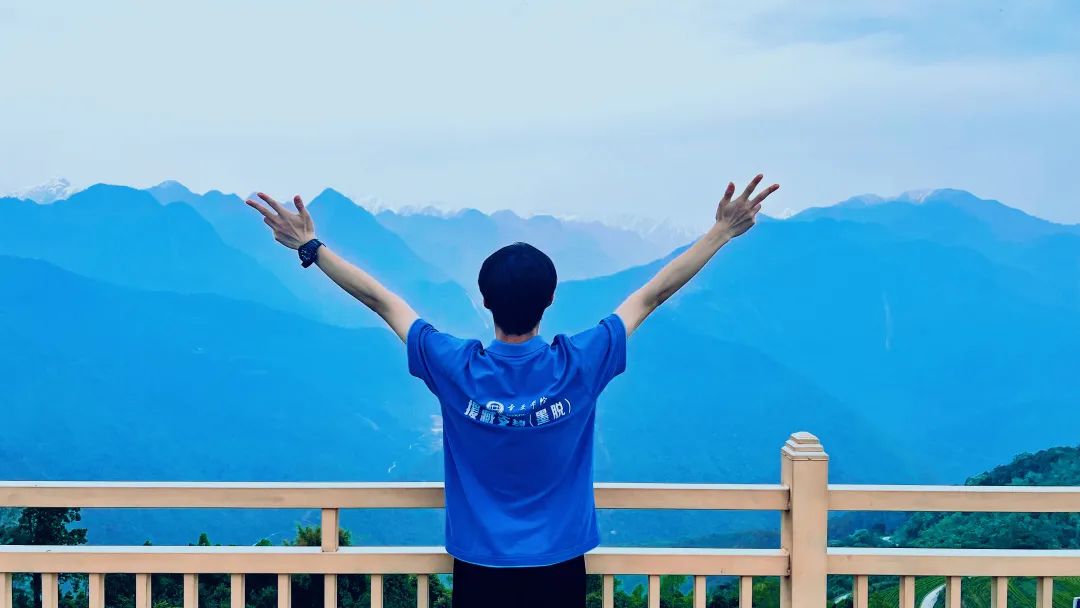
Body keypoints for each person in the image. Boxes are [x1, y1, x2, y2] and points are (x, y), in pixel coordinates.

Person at [244, 175, 779, 608]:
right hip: (560, 564)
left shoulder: (455, 366)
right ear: (550, 300)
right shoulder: (580, 363)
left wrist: (310, 246)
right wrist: (721, 232)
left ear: (484, 301)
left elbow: (383, 302)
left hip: (479, 567)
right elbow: (652, 295)